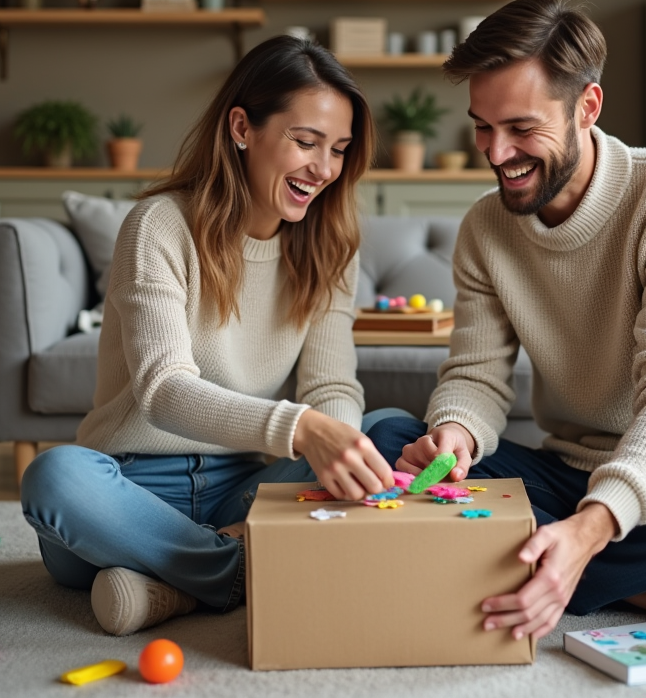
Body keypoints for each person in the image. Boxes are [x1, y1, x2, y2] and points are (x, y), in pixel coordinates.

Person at [367, 0, 646, 643]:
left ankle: (549, 566)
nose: (496, 153)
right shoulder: (484, 230)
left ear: (587, 107)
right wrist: (455, 435)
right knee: (387, 436)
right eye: (481, 127)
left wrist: (589, 529)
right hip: (569, 471)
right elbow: (474, 375)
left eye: (521, 128)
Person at [20, 36, 394, 636]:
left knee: (388, 430)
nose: (324, 169)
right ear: (242, 127)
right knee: (55, 477)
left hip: (246, 490)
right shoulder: (159, 226)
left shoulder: (329, 248)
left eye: (340, 151)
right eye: (306, 142)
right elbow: (163, 389)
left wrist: (338, 440)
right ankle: (243, 568)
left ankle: (177, 586)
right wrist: (302, 429)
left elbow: (329, 385)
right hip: (129, 493)